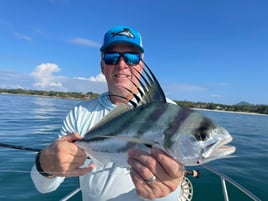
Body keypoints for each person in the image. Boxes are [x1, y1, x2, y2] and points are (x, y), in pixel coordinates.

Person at [31, 25, 185, 201]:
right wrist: (45, 164)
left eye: (131, 58)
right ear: (102, 66)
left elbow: (172, 194)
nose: (121, 65)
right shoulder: (80, 113)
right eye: (112, 57)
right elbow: (43, 187)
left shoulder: (169, 112)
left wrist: (168, 188)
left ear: (140, 66)